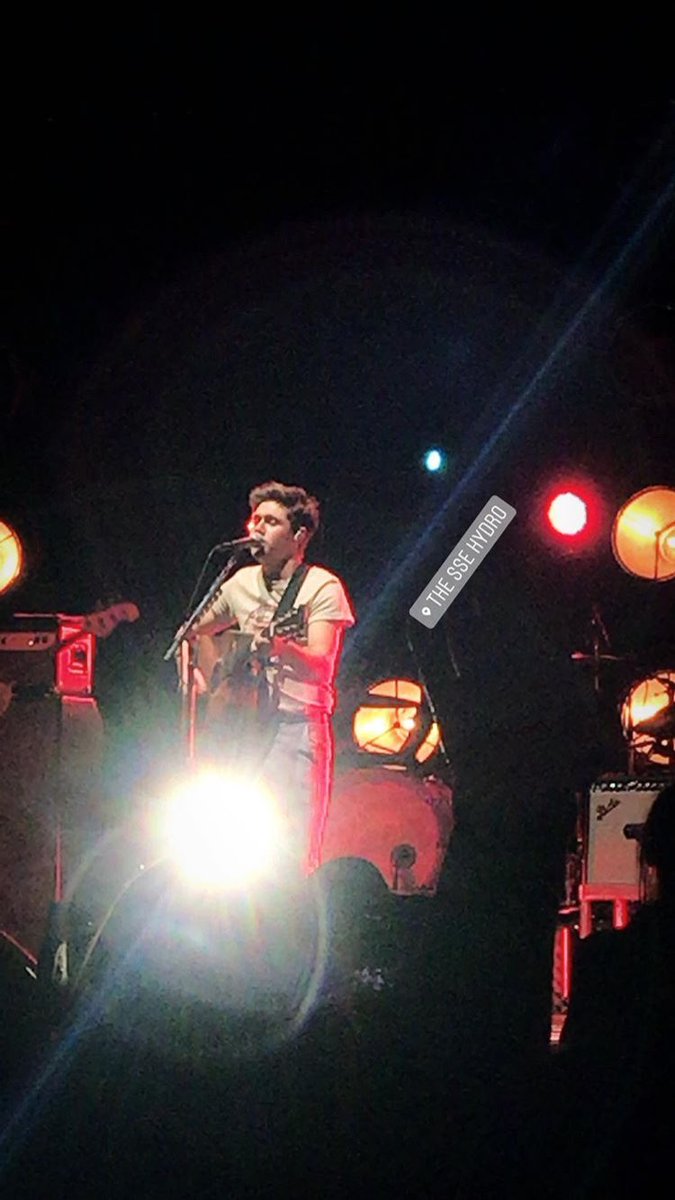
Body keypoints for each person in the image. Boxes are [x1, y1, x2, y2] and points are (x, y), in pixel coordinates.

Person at [188, 481, 355, 873]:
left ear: (299, 536)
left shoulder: (321, 586)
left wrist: (283, 648)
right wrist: (203, 675)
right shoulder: (240, 581)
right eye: (256, 519)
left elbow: (322, 662)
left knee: (288, 851)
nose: (257, 527)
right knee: (231, 854)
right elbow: (191, 631)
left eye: (271, 521)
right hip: (242, 726)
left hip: (295, 727)